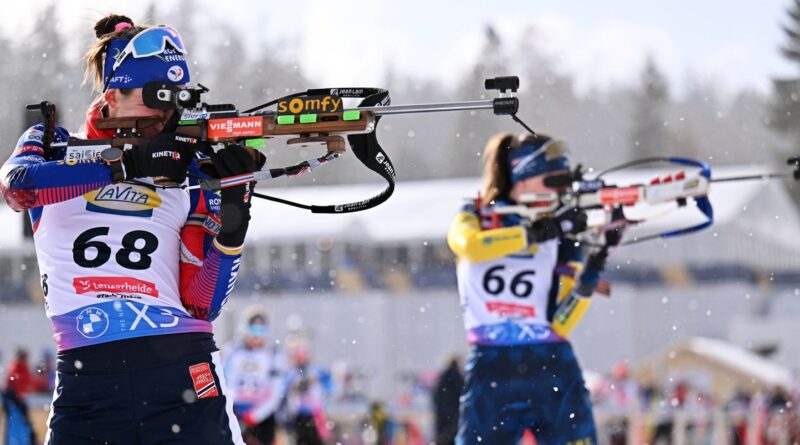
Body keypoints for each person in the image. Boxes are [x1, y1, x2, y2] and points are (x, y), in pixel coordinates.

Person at [0, 14, 264, 444]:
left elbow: (201, 303)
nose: (166, 113)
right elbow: (19, 188)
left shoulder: (188, 168)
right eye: (155, 97)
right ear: (114, 93)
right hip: (89, 385)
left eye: (176, 99)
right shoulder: (53, 145)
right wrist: (128, 166)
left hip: (183, 373)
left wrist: (234, 219)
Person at [447, 133, 623, 445]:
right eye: (552, 181)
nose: (560, 192)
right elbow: (469, 246)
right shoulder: (475, 213)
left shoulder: (562, 231)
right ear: (522, 177)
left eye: (564, 184)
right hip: (493, 366)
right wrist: (533, 235)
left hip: (551, 363)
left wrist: (597, 259)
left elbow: (561, 323)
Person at [223, 310, 288, 445]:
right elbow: (223, 381)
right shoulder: (232, 351)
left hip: (262, 416)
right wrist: (231, 411)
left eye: (261, 331)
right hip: (235, 412)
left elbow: (276, 391)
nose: (257, 336)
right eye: (253, 330)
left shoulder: (273, 354)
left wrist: (255, 415)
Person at [285, 345, 333, 445]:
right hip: (298, 413)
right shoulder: (291, 372)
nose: (300, 360)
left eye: (302, 357)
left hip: (314, 412)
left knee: (316, 439)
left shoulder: (315, 370)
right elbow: (285, 388)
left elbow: (329, 385)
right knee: (301, 439)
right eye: (298, 357)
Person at [432, 356, 464, 445]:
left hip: (443, 422)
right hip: (455, 424)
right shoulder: (460, 380)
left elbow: (436, 398)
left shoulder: (442, 380)